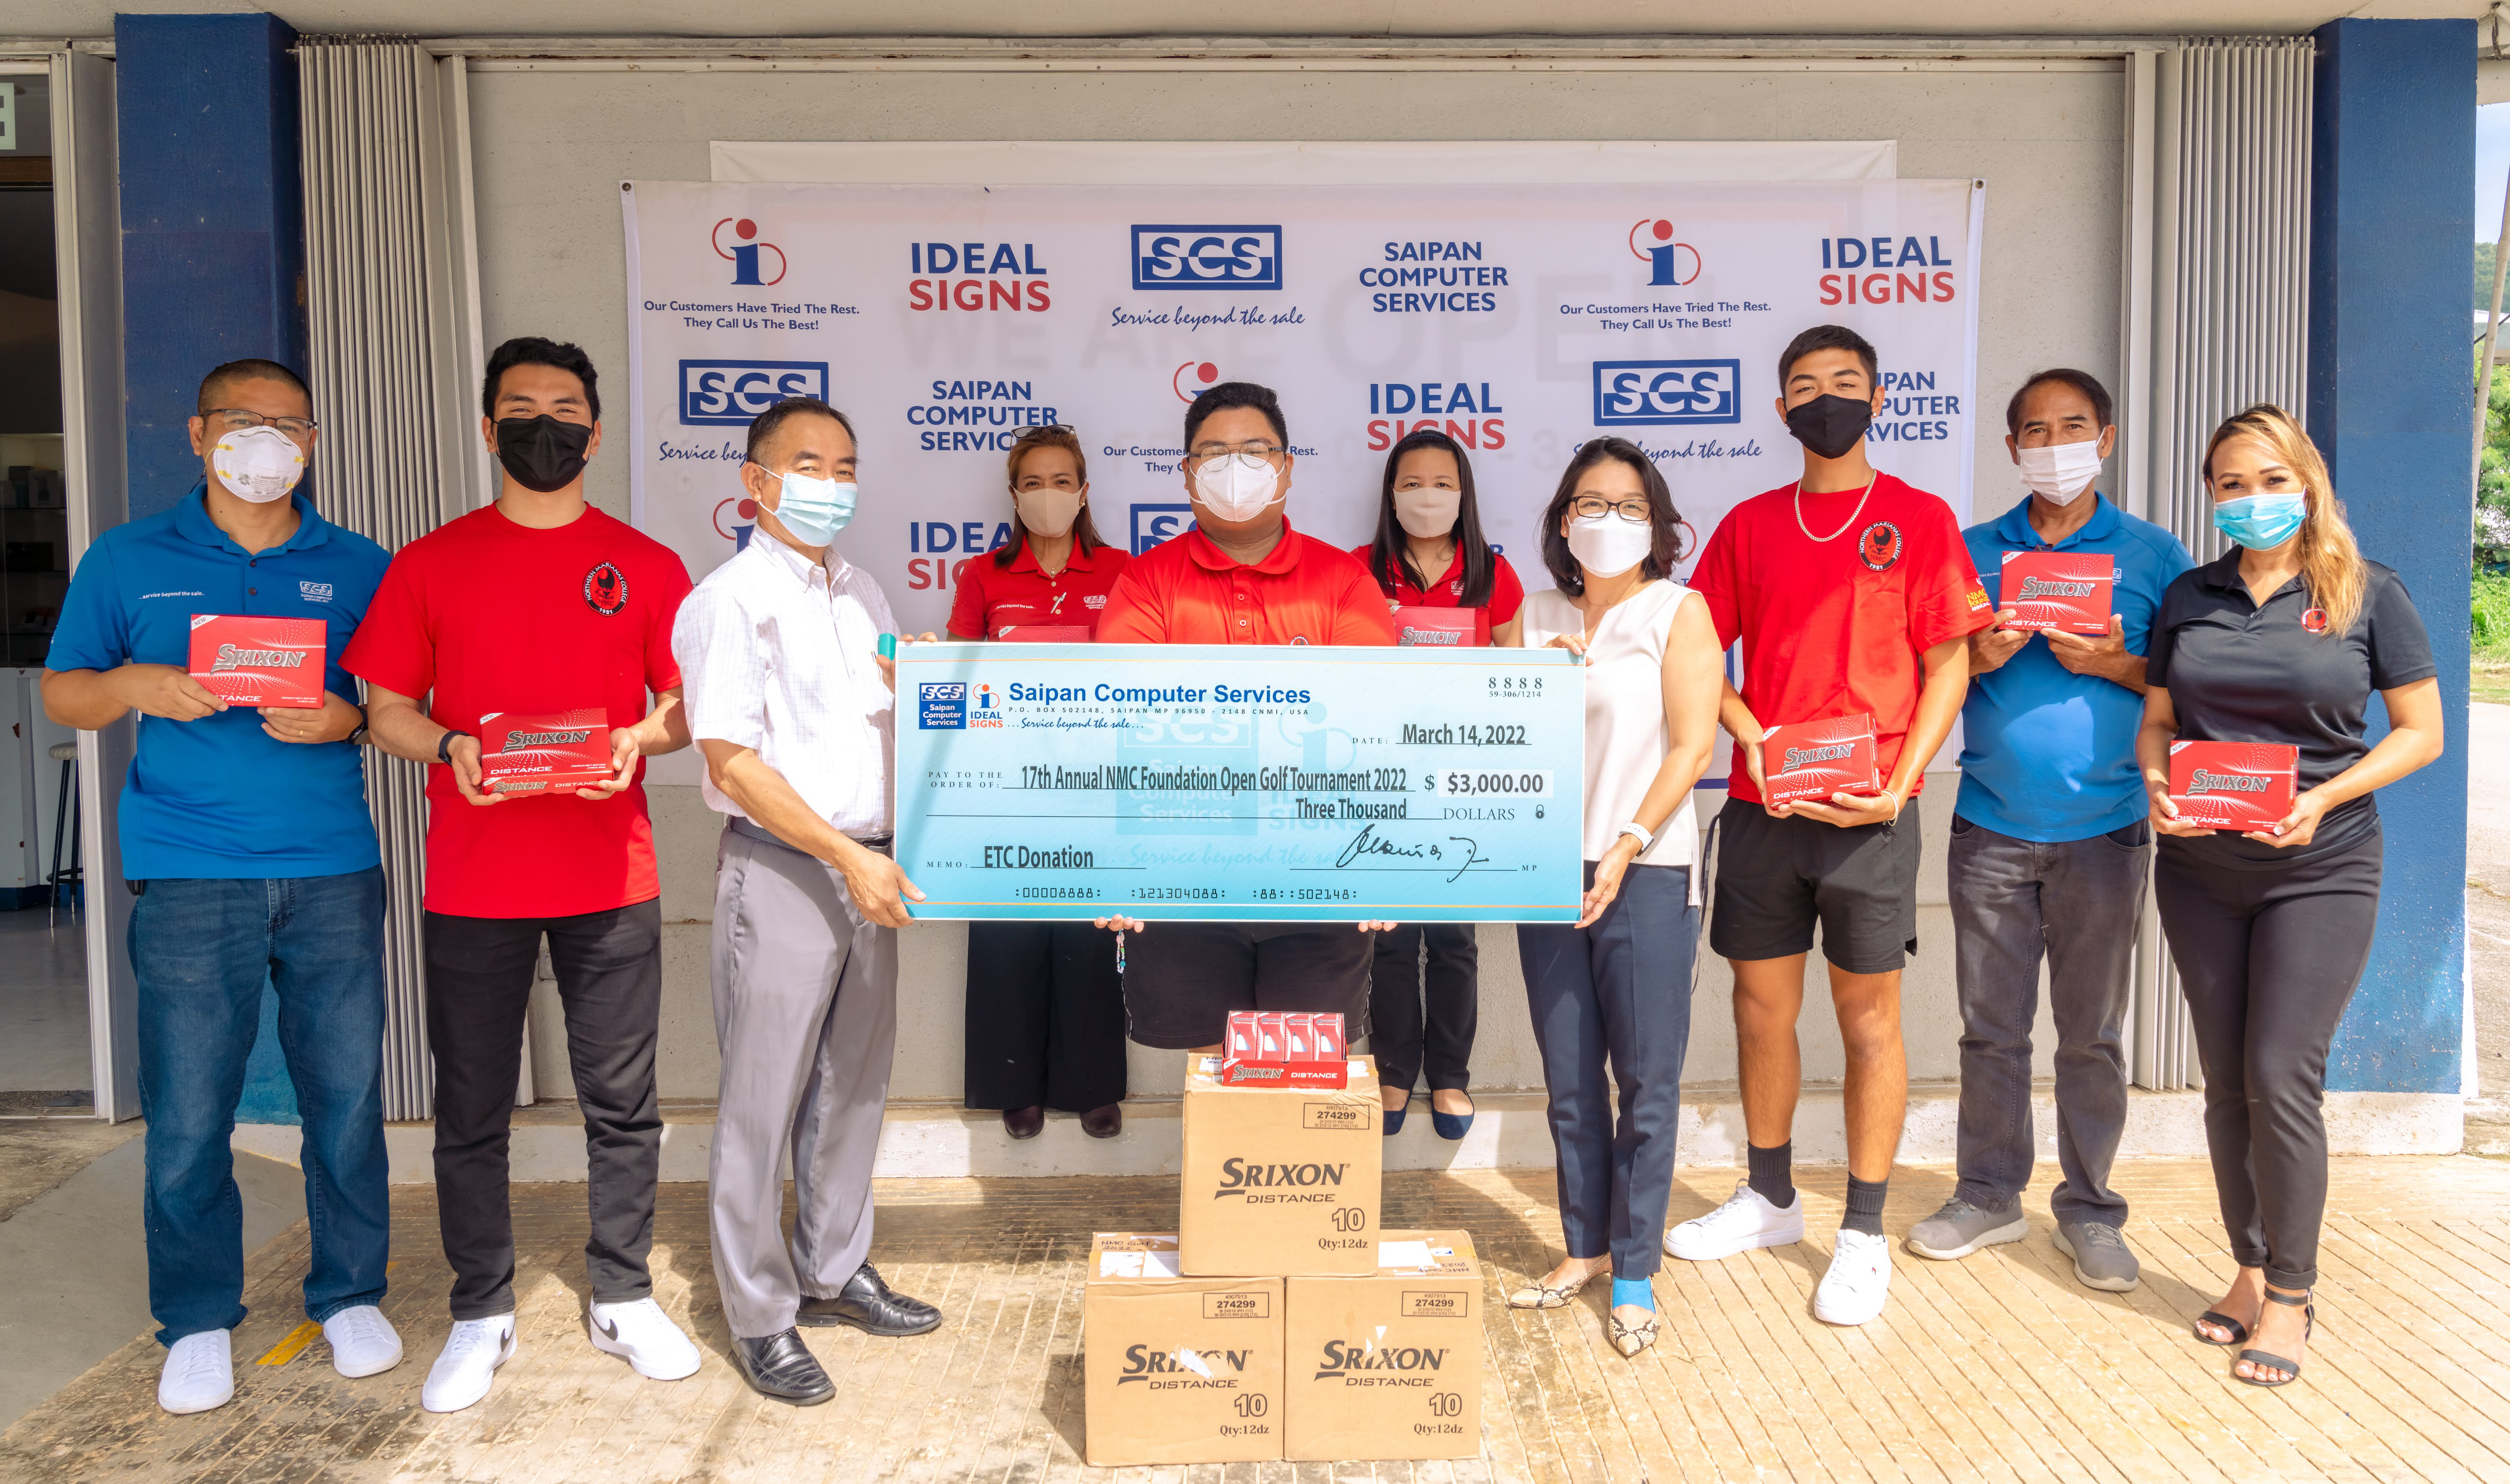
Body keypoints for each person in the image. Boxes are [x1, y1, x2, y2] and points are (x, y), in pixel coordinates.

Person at [344, 337, 702, 1413]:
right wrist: (451, 747)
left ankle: (623, 1291)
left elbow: (683, 708)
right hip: (473, 879)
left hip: (610, 873)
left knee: (622, 1101)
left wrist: (641, 740)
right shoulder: (430, 562)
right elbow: (385, 710)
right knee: (471, 1106)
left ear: (595, 432)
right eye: (520, 406)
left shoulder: (646, 563)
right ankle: (480, 1307)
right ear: (489, 425)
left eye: (563, 408)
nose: (542, 424)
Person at [41, 358, 397, 1415]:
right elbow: (67, 688)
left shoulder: (360, 564)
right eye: (244, 422)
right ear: (198, 434)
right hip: (192, 873)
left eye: (289, 426)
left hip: (331, 864)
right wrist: (135, 685)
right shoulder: (127, 558)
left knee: (345, 1099)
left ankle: (350, 1293)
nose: (266, 443)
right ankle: (197, 1316)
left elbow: (398, 702)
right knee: (191, 1111)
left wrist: (351, 719)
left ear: (314, 442)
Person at [1664, 323, 1992, 1327]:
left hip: (1870, 813)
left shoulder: (1920, 518)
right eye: (1805, 385)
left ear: (1879, 398)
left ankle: (1858, 1228)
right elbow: (1693, 651)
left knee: (1869, 1021)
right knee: (1759, 1009)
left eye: (1845, 382)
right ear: (1781, 410)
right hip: (1767, 810)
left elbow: (1951, 664)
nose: (1825, 398)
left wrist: (1901, 780)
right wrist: (1748, 731)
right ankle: (1767, 1194)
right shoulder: (1750, 523)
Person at [2140, 403, 2440, 1388]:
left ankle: (2295, 1296)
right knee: (2225, 1079)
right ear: (2212, 495)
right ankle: (2248, 1268)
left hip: (2322, 862)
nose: (2253, 498)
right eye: (2232, 482)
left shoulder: (2366, 591)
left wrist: (2324, 796)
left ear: (2306, 483)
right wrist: (2157, 785)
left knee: (2280, 1073)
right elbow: (2161, 717)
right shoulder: (2189, 594)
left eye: (2272, 479)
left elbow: (2419, 732)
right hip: (2200, 865)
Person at [673, 395, 943, 1406]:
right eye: (808, 464)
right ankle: (760, 1311)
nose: (831, 482)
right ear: (757, 480)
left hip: (871, 864)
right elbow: (735, 764)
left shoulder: (863, 588)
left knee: (853, 1082)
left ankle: (834, 1268)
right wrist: (842, 853)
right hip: (789, 867)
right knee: (761, 1098)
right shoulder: (730, 599)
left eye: (846, 463)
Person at [1905, 370, 2193, 1292]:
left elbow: (2190, 685)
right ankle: (1986, 1193)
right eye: (2036, 430)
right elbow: (1923, 677)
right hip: (1988, 823)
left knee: (2091, 1035)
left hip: (2106, 831)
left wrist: (2117, 662)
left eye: (2073, 427)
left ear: (2104, 440)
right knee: (1991, 1030)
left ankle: (2092, 1210)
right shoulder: (1969, 549)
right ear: (2011, 449)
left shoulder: (2152, 553)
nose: (2055, 445)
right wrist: (1972, 658)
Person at [1093, 381, 1401, 1051]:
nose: (1236, 467)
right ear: (1188, 475)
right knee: (1210, 1084)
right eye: (1214, 453)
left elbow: (1373, 734)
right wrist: (1115, 867)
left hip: (1321, 882)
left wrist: (1382, 865)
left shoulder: (1343, 582)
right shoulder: (1144, 584)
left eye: (1255, 450)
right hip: (1182, 883)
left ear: (1287, 466)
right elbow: (1115, 735)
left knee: (1304, 1072)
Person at [1505, 438, 1722, 1360]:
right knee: (1568, 1083)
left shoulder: (1678, 611)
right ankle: (1583, 1248)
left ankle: (1633, 1265)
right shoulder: (1533, 613)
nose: (1609, 521)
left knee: (1645, 1082)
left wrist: (1629, 843)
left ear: (1658, 524)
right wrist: (1529, 685)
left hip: (1648, 872)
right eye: (1591, 505)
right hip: (1546, 873)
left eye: (1630, 507)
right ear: (1563, 521)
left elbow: (1692, 747)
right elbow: (1489, 741)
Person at [947, 425, 1129, 1141]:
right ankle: (1010, 1081)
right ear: (1013, 494)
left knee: (1089, 937)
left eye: (1061, 482)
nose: (1047, 496)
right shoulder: (982, 575)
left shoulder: (1122, 572)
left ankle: (1090, 1086)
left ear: (1084, 491)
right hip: (1006, 786)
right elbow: (957, 675)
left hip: (1094, 785)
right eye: (1033, 483)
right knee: (1007, 936)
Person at [1349, 427, 1526, 1138]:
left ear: (1464, 493)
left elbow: (1515, 678)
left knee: (1453, 939)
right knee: (1389, 938)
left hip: (1463, 780)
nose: (1428, 496)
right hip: (1384, 779)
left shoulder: (1493, 574)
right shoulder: (1359, 573)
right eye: (1413, 483)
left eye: (1442, 484)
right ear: (1392, 494)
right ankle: (1394, 1073)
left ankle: (1448, 1078)